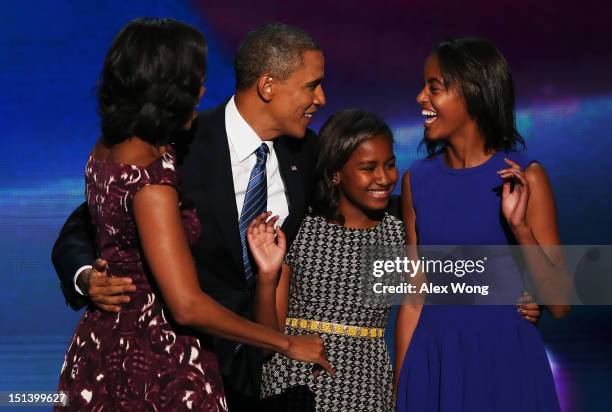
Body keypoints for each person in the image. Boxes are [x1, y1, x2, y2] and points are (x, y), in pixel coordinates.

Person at [54, 19, 332, 411]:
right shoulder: (172, 148)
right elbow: (88, 224)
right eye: (311, 85)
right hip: (171, 363)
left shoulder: (308, 152)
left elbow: (362, 207)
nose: (321, 99)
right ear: (269, 85)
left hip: (254, 369)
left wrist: (439, 270)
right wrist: (85, 277)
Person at [394, 37, 570, 411]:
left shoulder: (527, 178)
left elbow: (559, 303)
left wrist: (519, 227)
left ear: (472, 94)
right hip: (436, 364)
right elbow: (413, 299)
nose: (420, 98)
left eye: (434, 87)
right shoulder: (416, 182)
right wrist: (401, 390)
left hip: (506, 366)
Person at [246, 109, 403, 411]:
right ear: (335, 173)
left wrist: (521, 287)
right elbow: (268, 341)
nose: (384, 178)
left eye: (390, 165)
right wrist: (267, 277)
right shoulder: (300, 227)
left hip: (367, 386)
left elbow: (460, 281)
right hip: (296, 382)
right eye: (369, 168)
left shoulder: (398, 234)